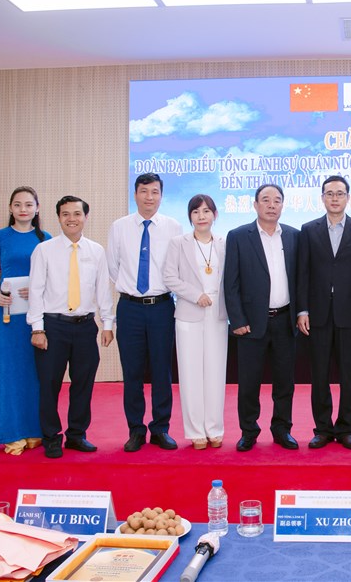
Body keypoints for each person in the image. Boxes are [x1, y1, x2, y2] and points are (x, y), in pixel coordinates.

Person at [27, 196, 114, 458]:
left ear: (86, 217)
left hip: (85, 326)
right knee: (49, 384)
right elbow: (35, 290)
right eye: (65, 214)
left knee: (83, 384)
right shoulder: (44, 250)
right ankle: (51, 437)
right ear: (59, 217)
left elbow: (102, 289)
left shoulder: (96, 251)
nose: (71, 219)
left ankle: (77, 434)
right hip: (53, 326)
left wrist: (107, 323)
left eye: (77, 214)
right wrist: (37, 328)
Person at [296, 175, 351, 451]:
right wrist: (302, 309)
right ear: (322, 198)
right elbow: (302, 273)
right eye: (330, 194)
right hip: (317, 313)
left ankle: (346, 428)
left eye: (340, 193)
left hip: (350, 313)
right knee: (319, 374)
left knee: (349, 375)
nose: (335, 198)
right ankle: (322, 429)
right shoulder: (308, 230)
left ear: (348, 198)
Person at [106, 173, 182, 453]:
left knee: (162, 370)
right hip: (130, 308)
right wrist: (132, 290)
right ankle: (136, 430)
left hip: (162, 306)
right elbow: (113, 267)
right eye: (144, 191)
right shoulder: (119, 227)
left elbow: (177, 266)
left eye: (155, 192)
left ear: (161, 195)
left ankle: (161, 428)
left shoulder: (173, 227)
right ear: (135, 194)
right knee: (132, 371)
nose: (149, 197)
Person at [224, 184, 300, 452]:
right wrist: (237, 320)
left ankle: (282, 429)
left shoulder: (294, 236)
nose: (271, 205)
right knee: (249, 382)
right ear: (255, 205)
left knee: (285, 382)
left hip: (285, 320)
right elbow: (230, 283)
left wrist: (301, 314)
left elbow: (301, 279)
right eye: (265, 200)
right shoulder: (238, 236)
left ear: (282, 205)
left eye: (277, 200)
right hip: (251, 322)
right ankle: (248, 431)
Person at [0, 186, 50, 455]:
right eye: (18, 204)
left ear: (37, 208)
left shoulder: (45, 238)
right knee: (8, 372)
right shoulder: (0, 237)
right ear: (10, 208)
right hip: (8, 315)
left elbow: (54, 275)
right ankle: (10, 432)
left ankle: (35, 430)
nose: (23, 209)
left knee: (35, 372)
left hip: (37, 317)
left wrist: (35, 288)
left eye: (28, 204)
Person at [163, 194, 228, 450]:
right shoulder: (178, 243)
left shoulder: (223, 243)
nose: (201, 216)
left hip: (218, 314)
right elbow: (169, 277)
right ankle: (195, 431)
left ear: (215, 215)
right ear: (190, 216)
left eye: (206, 211)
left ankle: (214, 428)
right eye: (196, 212)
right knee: (190, 373)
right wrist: (194, 295)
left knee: (215, 372)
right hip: (189, 313)